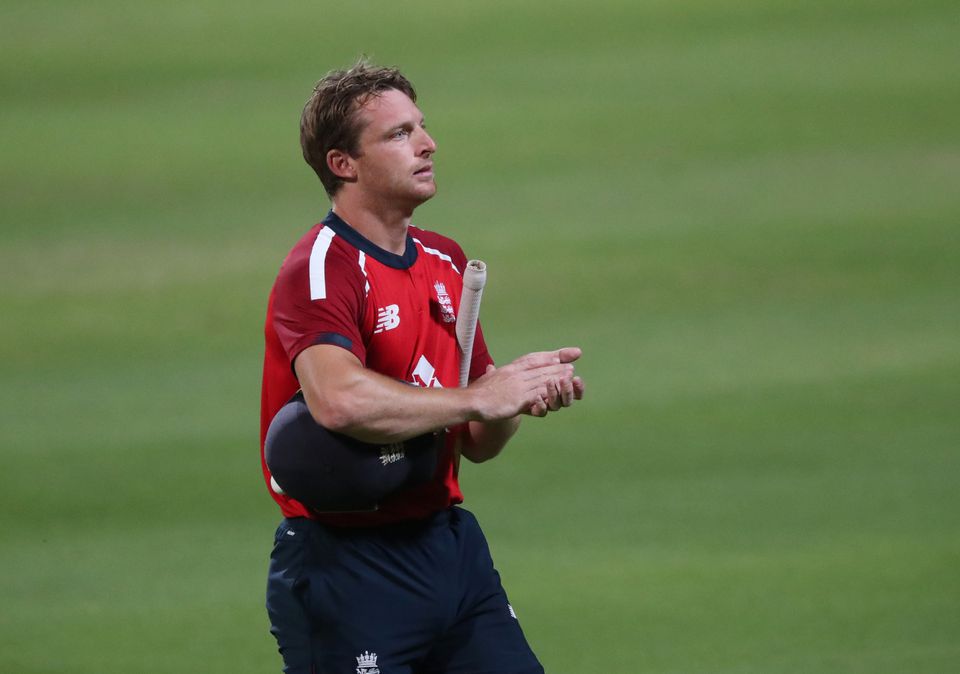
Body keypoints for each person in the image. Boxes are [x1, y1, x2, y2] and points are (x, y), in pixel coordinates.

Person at [260, 60, 584, 674]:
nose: (428, 144)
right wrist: (477, 399)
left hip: (449, 551)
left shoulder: (445, 260)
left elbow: (479, 440)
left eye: (422, 127)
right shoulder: (321, 266)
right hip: (346, 567)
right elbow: (338, 401)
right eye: (399, 134)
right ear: (343, 164)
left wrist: (516, 395)